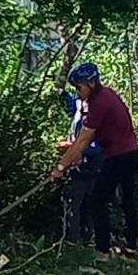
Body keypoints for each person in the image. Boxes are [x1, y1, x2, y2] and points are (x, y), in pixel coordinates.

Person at [54, 62, 138, 259]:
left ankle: (103, 250)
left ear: (91, 83)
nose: (77, 92)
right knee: (128, 200)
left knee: (98, 200)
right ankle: (130, 247)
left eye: (79, 87)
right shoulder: (104, 95)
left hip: (118, 156)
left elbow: (84, 139)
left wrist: (61, 166)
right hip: (130, 152)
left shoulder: (100, 103)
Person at [56, 85, 103, 245]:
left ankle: (80, 239)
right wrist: (59, 91)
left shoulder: (98, 111)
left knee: (82, 201)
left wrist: (72, 148)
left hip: (90, 165)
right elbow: (70, 105)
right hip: (78, 162)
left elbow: (96, 144)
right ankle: (77, 238)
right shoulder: (79, 102)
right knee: (76, 202)